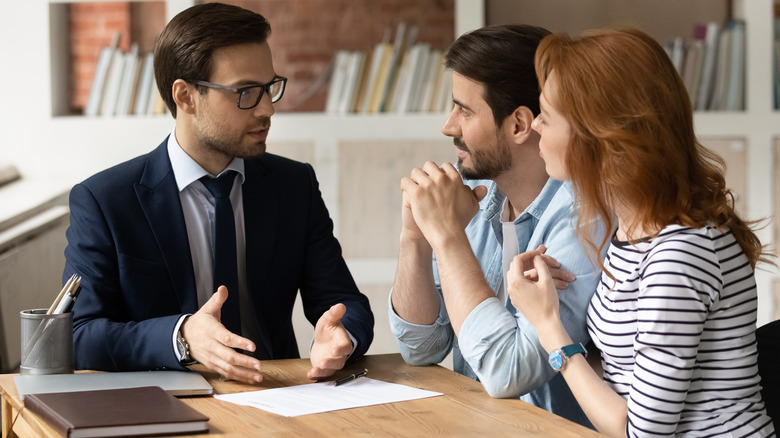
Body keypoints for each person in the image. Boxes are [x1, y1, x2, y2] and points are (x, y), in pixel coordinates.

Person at [63, 2, 374, 384]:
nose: (266, 109)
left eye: (268, 88)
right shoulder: (105, 201)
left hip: (279, 396)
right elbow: (79, 335)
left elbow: (345, 302)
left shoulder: (294, 185)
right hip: (163, 403)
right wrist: (181, 337)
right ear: (185, 96)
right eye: (245, 92)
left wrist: (343, 336)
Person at [507, 28, 775, 437]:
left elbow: (642, 432)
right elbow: (621, 378)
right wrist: (551, 306)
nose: (536, 126)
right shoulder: (633, 231)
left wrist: (547, 325)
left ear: (601, 138)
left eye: (547, 115)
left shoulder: (681, 253)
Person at [389, 24, 602, 426]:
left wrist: (448, 238)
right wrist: (415, 238)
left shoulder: (582, 218)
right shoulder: (477, 194)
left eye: (464, 110)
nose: (448, 127)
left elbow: (511, 373)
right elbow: (422, 347)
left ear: (520, 124)